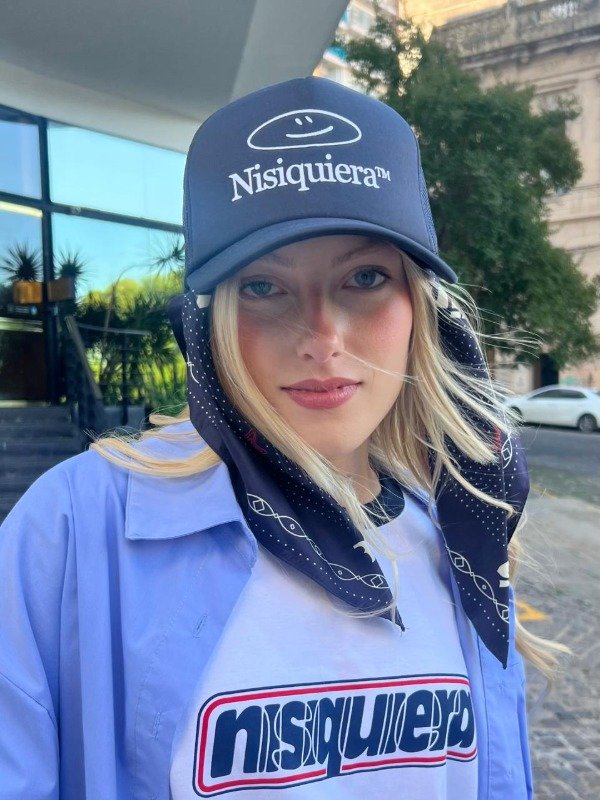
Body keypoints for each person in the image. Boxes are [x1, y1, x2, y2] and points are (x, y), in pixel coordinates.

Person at [0, 77, 562, 800]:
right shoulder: (74, 532)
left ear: (419, 306)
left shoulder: (467, 535)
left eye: (365, 276)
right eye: (264, 287)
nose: (322, 337)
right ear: (211, 320)